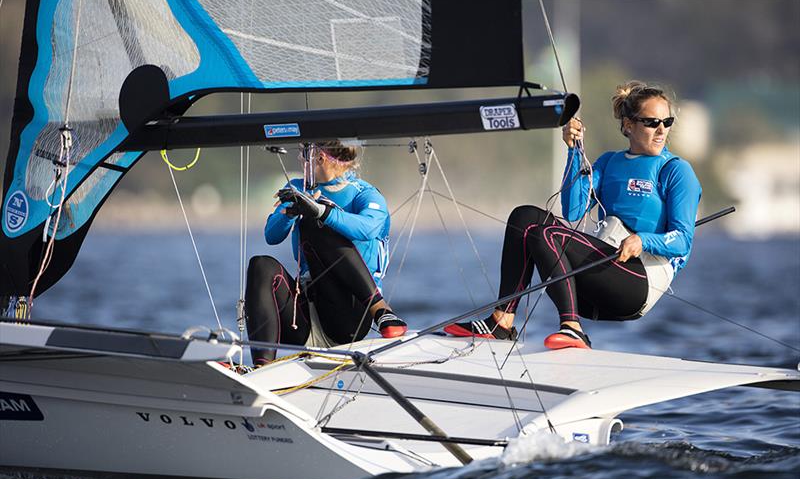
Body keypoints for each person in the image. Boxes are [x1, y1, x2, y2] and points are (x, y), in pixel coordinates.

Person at [445, 81, 702, 349]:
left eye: (667, 121)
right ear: (628, 125)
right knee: (524, 218)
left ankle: (571, 328)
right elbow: (573, 210)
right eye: (651, 122)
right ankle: (502, 321)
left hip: (639, 282)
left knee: (546, 234)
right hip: (600, 275)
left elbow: (683, 240)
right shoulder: (608, 162)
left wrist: (642, 240)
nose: (662, 130)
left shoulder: (676, 171)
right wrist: (574, 150)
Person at [245, 140, 406, 365]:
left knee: (315, 223)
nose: (300, 160)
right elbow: (271, 236)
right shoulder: (298, 187)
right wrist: (289, 212)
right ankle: (261, 368)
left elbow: (367, 228)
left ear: (317, 157)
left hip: (348, 318)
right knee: (260, 265)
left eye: (303, 153)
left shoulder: (366, 194)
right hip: (303, 317)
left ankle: (382, 311)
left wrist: (320, 211)